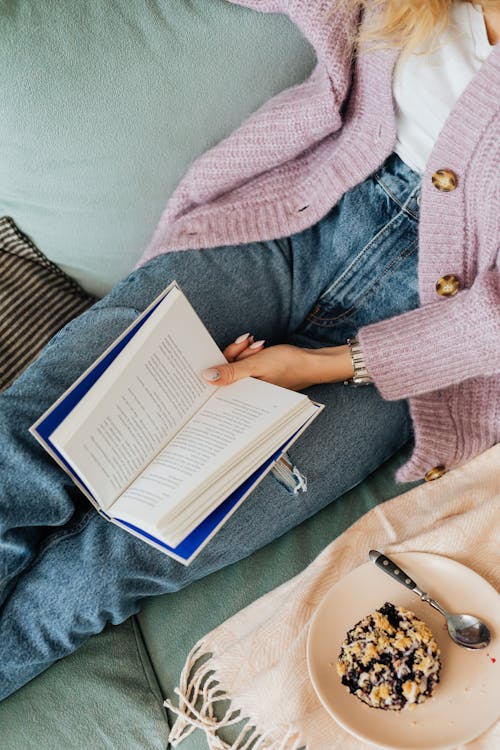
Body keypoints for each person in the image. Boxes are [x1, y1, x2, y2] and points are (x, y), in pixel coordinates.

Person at [0, 0, 498, 699]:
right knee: (28, 448)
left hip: (428, 343)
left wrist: (328, 365)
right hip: (290, 223)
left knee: (109, 570)